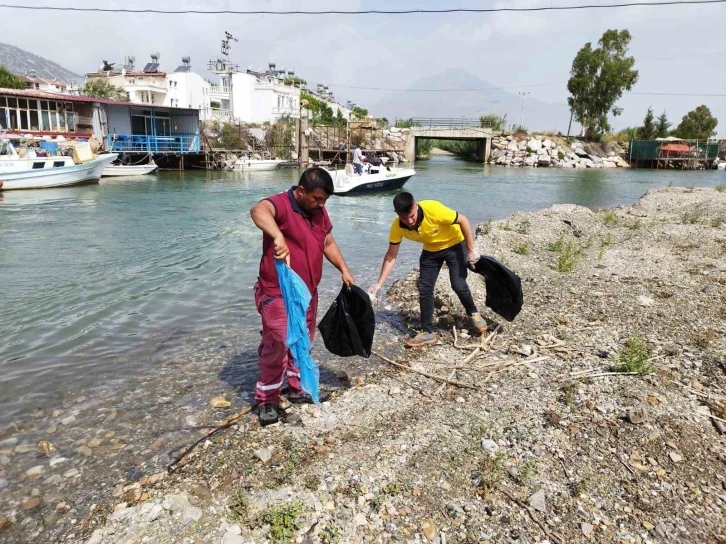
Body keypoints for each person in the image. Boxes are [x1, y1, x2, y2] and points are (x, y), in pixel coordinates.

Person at [250, 167, 355, 426]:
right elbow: (258, 210)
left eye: (324, 201)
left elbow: (327, 242)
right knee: (277, 343)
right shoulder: (282, 204)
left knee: (304, 341)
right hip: (277, 292)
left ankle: (298, 388)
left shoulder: (318, 212)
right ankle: (267, 399)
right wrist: (277, 236)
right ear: (300, 191)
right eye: (317, 199)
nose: (321, 205)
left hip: (308, 291)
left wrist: (344, 269)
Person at [367, 192, 486, 348]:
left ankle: (473, 313)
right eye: (404, 218)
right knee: (424, 288)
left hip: (455, 243)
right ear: (397, 214)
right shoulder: (397, 226)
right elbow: (391, 255)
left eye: (412, 216)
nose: (409, 221)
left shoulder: (433, 209)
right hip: (431, 250)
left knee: (458, 284)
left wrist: (471, 250)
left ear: (416, 206)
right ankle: (428, 332)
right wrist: (379, 284)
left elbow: (463, 220)